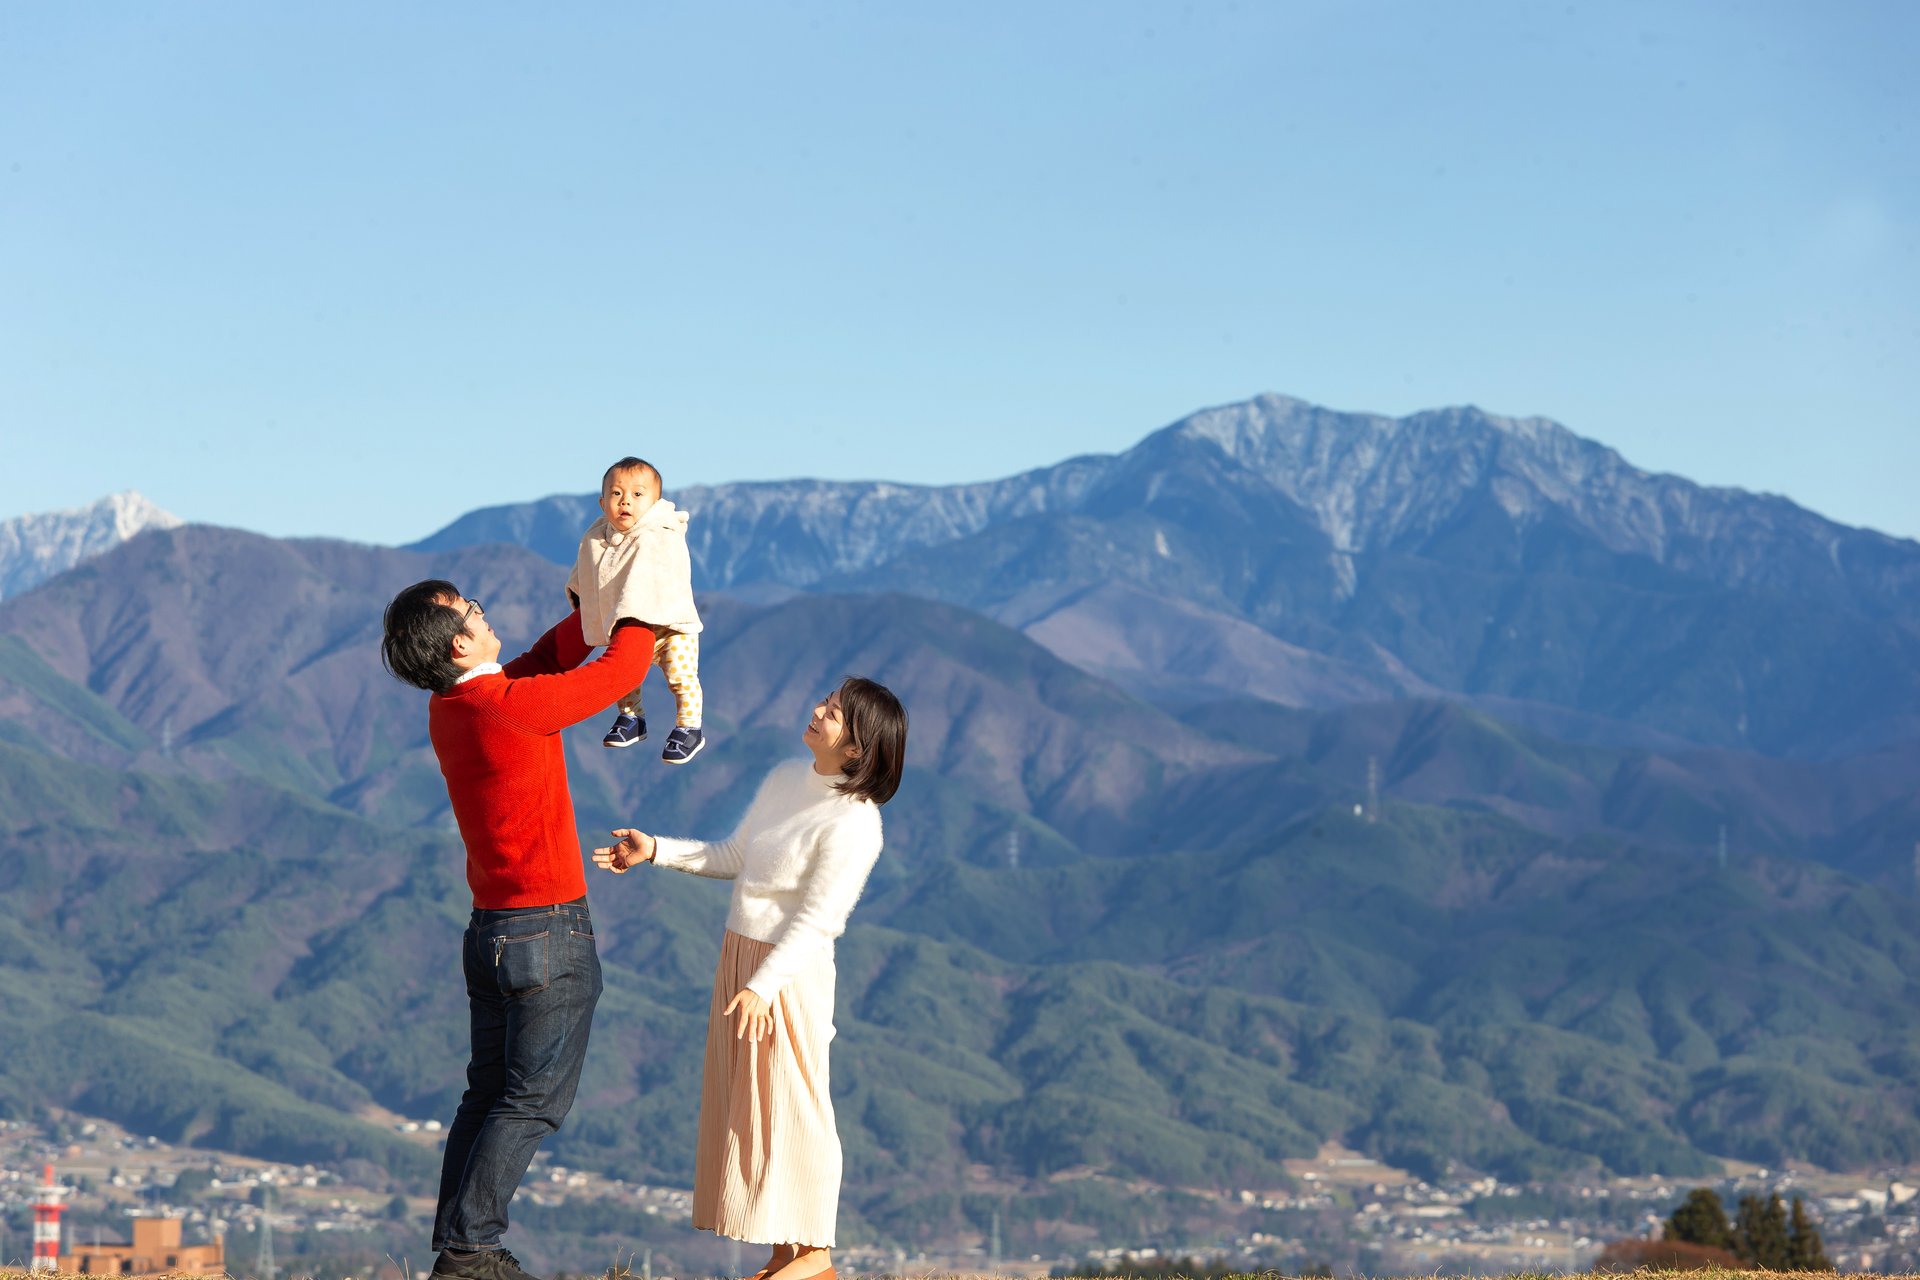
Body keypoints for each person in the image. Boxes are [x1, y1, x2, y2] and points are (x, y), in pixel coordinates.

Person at [380, 581, 655, 1280]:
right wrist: (647, 604)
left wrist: (588, 613)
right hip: (547, 933)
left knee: (488, 1094)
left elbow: (542, 658)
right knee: (531, 1101)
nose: (482, 609)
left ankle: (460, 1246)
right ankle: (471, 1251)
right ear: (460, 644)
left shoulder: (458, 706)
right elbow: (618, 673)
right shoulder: (508, 710)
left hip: (493, 931)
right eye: (471, 611)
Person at [592, 677, 908, 1280]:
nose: (818, 709)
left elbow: (820, 920)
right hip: (741, 958)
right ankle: (785, 1254)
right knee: (756, 1104)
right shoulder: (789, 777)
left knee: (798, 1103)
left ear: (859, 751)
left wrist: (764, 986)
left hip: (786, 972)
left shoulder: (856, 822)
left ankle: (816, 1252)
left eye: (836, 713)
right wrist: (654, 849)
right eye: (827, 700)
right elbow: (737, 856)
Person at [566, 455, 707, 764]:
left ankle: (689, 727)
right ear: (603, 503)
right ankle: (631, 718)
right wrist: (581, 596)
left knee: (682, 677)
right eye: (617, 494)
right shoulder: (596, 538)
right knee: (623, 673)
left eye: (637, 494)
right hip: (629, 624)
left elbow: (662, 572)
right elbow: (589, 571)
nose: (625, 501)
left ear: (655, 503)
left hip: (671, 624)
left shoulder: (660, 533)